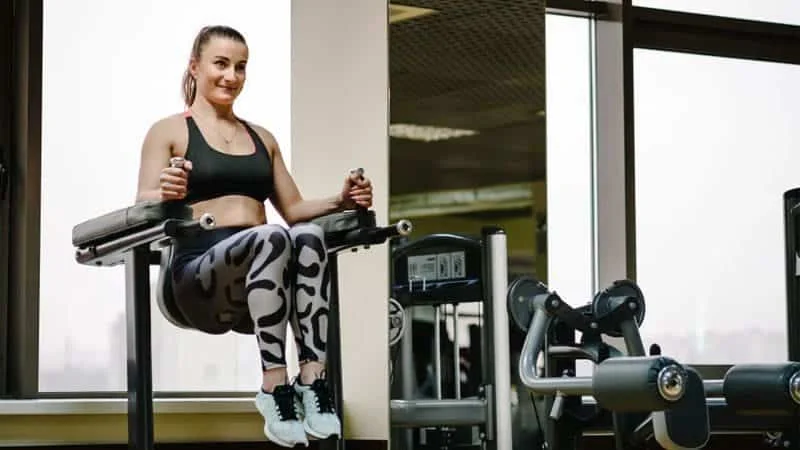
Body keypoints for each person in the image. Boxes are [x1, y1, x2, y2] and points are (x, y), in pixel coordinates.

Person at [134, 25, 373, 447]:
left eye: (240, 67)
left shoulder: (262, 138)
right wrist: (165, 191)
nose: (231, 76)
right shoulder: (170, 131)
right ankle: (273, 387)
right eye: (221, 64)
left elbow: (294, 209)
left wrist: (342, 200)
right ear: (195, 66)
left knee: (309, 235)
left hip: (263, 288)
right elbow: (142, 201)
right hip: (198, 278)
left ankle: (312, 382)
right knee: (273, 237)